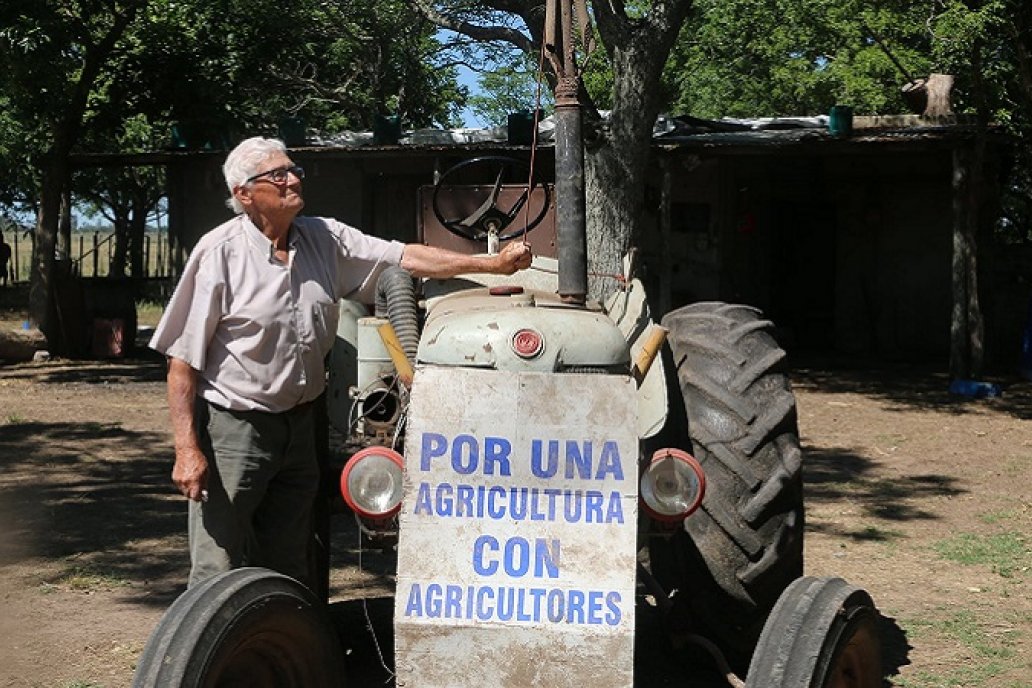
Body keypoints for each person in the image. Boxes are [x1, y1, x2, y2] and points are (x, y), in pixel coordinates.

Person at [150, 136, 532, 589]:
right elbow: (182, 365)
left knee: (290, 558)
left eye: (294, 171)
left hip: (301, 428)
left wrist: (491, 265)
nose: (293, 179)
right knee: (219, 560)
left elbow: (403, 256)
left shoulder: (324, 237)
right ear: (244, 194)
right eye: (278, 174)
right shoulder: (219, 254)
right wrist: (187, 449)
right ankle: (211, 654)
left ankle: (285, 653)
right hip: (235, 428)